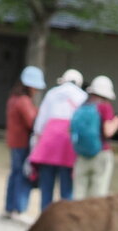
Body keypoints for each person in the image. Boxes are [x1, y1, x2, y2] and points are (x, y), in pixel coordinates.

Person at [29, 68, 84, 206]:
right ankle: (65, 222)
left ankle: (45, 218)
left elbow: (40, 123)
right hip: (69, 145)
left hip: (49, 143)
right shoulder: (83, 96)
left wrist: (36, 143)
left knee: (46, 185)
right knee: (67, 188)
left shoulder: (52, 93)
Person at [71, 75, 118, 200]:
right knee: (97, 196)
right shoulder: (105, 106)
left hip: (82, 155)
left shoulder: (83, 105)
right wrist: (116, 122)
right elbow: (108, 131)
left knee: (79, 194)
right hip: (100, 154)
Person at [4, 66, 43, 218]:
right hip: (23, 143)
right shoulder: (23, 101)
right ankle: (19, 209)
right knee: (23, 175)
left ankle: (9, 208)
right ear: (30, 85)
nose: (37, 90)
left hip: (14, 142)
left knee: (14, 174)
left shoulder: (13, 98)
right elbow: (31, 122)